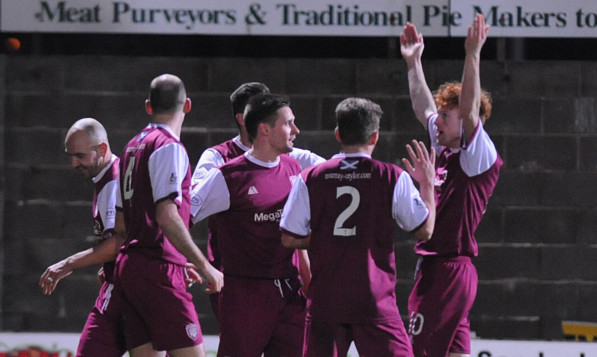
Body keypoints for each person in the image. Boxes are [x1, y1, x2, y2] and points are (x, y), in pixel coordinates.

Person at [279, 97, 436, 357]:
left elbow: (288, 238)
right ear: (374, 137)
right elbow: (424, 230)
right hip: (373, 300)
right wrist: (428, 185)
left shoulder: (311, 176)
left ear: (338, 134)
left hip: (326, 301)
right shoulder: (392, 176)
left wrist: (326, 236)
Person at [400, 14, 503, 357]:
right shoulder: (446, 146)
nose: (437, 121)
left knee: (417, 351)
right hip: (440, 267)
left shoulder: (477, 154)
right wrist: (414, 61)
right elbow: (422, 106)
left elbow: (471, 113)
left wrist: (472, 54)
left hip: (448, 269)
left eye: (447, 116)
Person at [191, 82, 324, 324]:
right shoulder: (220, 161)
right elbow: (186, 210)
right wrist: (192, 261)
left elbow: (331, 170)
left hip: (286, 279)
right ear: (247, 119)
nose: (294, 129)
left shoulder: (290, 158)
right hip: (238, 280)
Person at [113, 74, 223, 357]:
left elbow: (122, 222)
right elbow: (167, 216)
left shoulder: (130, 147)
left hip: (130, 267)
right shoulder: (168, 146)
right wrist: (203, 265)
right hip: (157, 269)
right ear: (187, 105)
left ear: (148, 106)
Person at [39, 118, 125, 357]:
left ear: (103, 149)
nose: (74, 163)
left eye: (79, 156)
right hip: (128, 283)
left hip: (126, 289)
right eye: (71, 156)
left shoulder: (114, 181)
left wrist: (65, 265)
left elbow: (117, 244)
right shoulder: (108, 177)